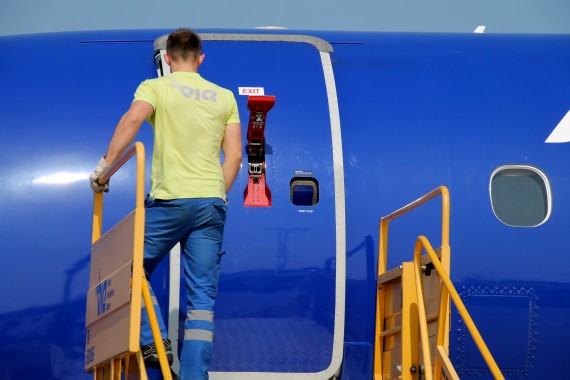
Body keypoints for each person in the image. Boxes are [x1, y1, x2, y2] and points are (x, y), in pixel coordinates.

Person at [90, 28, 242, 379]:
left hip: (171, 198)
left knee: (126, 267)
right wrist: (216, 194)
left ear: (168, 59)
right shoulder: (224, 97)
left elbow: (133, 120)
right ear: (201, 58)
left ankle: (154, 341)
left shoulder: (155, 87)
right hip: (211, 202)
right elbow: (233, 157)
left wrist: (104, 169)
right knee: (202, 303)